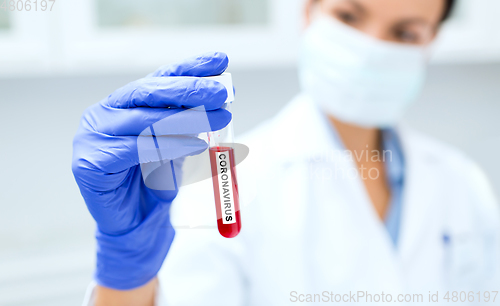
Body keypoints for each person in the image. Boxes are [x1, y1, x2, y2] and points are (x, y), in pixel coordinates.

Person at [73, 0, 500, 305]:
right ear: (307, 12)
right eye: (349, 15)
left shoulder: (460, 181)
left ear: (431, 40)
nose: (371, 48)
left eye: (405, 32)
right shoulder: (221, 188)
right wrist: (126, 274)